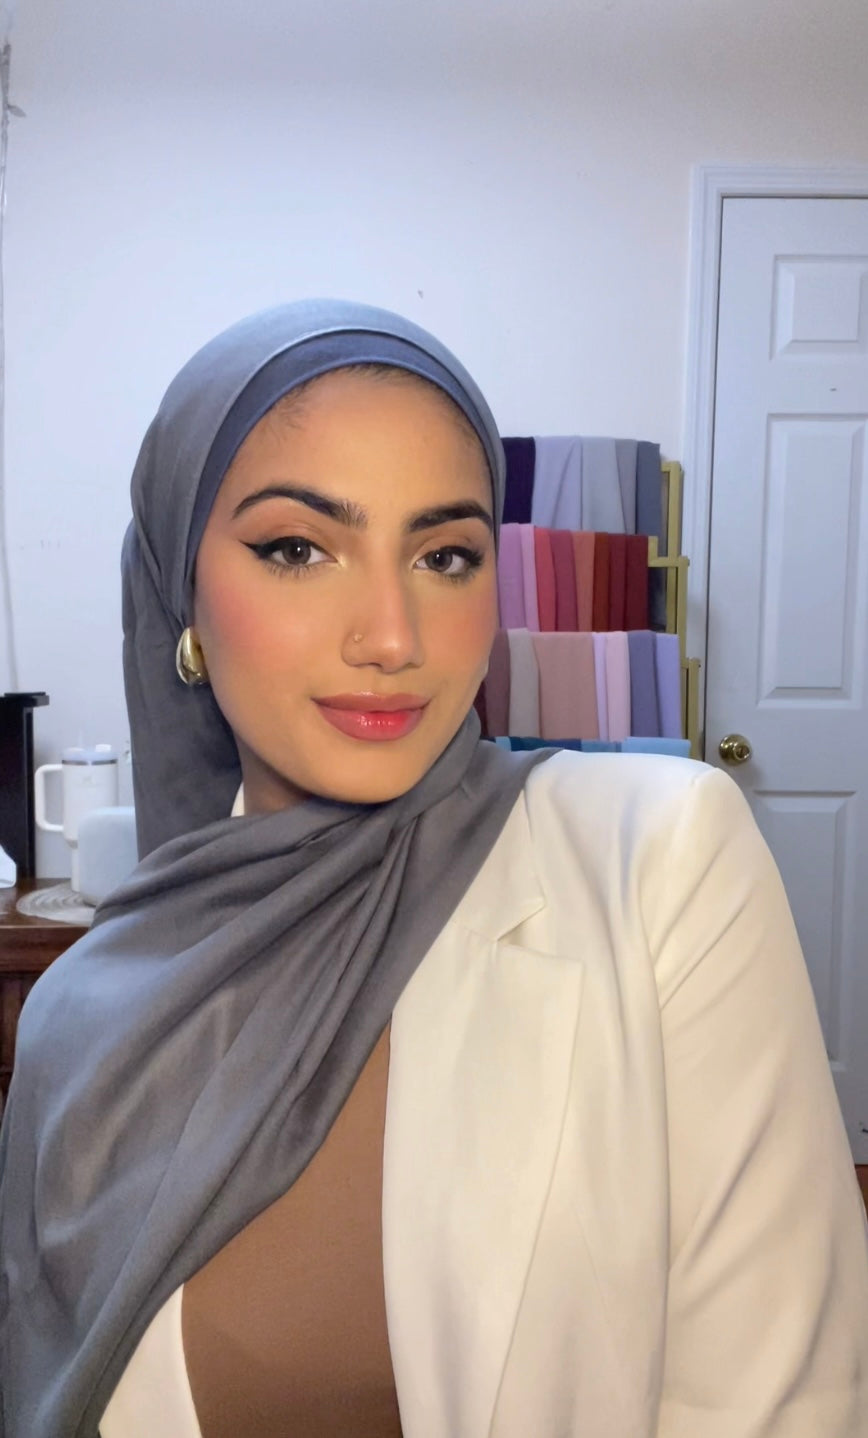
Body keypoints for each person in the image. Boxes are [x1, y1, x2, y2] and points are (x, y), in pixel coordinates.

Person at [1, 300, 867, 1438]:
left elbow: (780, 1400)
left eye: (445, 556)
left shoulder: (656, 859)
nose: (394, 637)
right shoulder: (76, 1014)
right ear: (181, 593)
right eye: (298, 550)